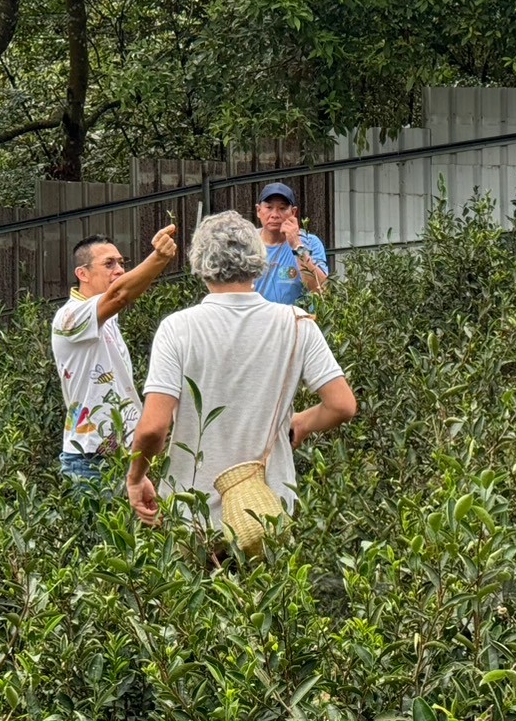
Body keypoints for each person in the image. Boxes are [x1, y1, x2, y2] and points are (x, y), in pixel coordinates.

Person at [127, 211, 357, 530]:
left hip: (191, 511)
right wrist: (300, 424)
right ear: (258, 261)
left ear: (200, 262)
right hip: (269, 509)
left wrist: (136, 478)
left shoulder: (177, 328)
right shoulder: (297, 322)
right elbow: (342, 405)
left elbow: (154, 428)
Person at [51, 223, 178, 487]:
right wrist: (159, 258)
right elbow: (120, 295)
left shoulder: (107, 318)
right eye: (109, 264)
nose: (120, 269)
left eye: (121, 262)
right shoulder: (70, 317)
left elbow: (121, 295)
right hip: (90, 459)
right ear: (82, 274)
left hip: (125, 454)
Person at [254, 181, 329, 304]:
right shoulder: (246, 242)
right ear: (258, 210)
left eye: (282, 208)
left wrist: (297, 245)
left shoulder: (310, 242)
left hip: (294, 320)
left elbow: (322, 291)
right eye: (269, 207)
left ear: (293, 212)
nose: (275, 215)